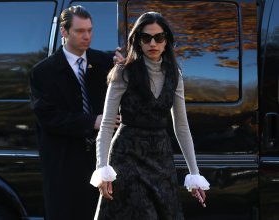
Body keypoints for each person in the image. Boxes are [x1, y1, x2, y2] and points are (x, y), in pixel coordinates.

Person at [90, 11, 210, 220]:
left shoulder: (175, 75)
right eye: (146, 37)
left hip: (161, 157)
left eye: (159, 37)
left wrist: (195, 174)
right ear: (138, 41)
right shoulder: (123, 72)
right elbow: (108, 123)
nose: (153, 43)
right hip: (127, 156)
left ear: (166, 41)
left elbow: (181, 127)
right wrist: (102, 169)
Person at [30, 5, 117, 220]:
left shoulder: (105, 63)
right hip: (64, 163)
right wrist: (92, 121)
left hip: (101, 162)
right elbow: (48, 117)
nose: (86, 36)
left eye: (89, 30)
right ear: (64, 32)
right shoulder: (43, 72)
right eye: (80, 31)